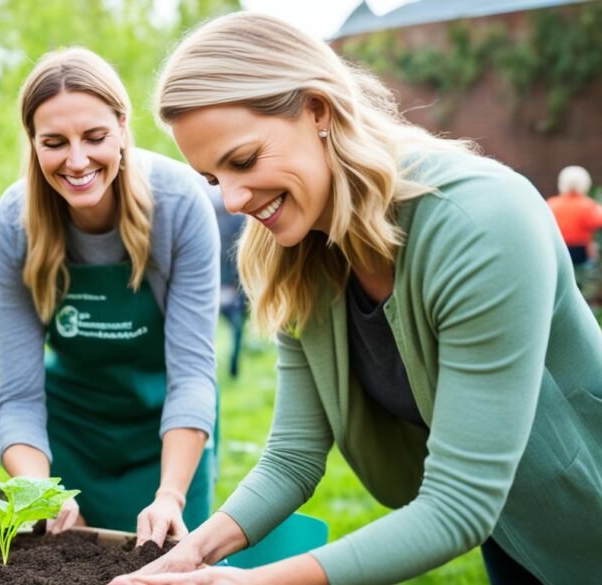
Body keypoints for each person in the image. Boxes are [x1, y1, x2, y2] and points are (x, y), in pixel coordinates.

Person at [112, 12, 602, 585]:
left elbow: (458, 503)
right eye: (214, 179)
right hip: (516, 529)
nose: (234, 200)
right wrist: (191, 554)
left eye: (243, 161)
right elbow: (293, 457)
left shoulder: (481, 221)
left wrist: (250, 583)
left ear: (318, 110)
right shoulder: (300, 253)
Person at [0, 47, 221, 546]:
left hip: (169, 436)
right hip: (69, 438)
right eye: (54, 142)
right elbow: (19, 395)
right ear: (33, 142)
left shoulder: (179, 204)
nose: (77, 161)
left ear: (121, 126)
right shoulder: (16, 222)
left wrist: (170, 496)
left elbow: (193, 376)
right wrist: (37, 487)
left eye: (94, 137)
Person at [209, 187, 248, 378]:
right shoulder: (238, 220)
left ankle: (226, 367)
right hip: (228, 285)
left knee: (211, 330)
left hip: (219, 284)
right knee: (236, 329)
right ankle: (232, 367)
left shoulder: (211, 220)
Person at [546, 165, 602, 267]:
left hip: (558, 252)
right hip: (581, 253)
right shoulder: (588, 206)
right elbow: (598, 222)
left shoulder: (552, 204)